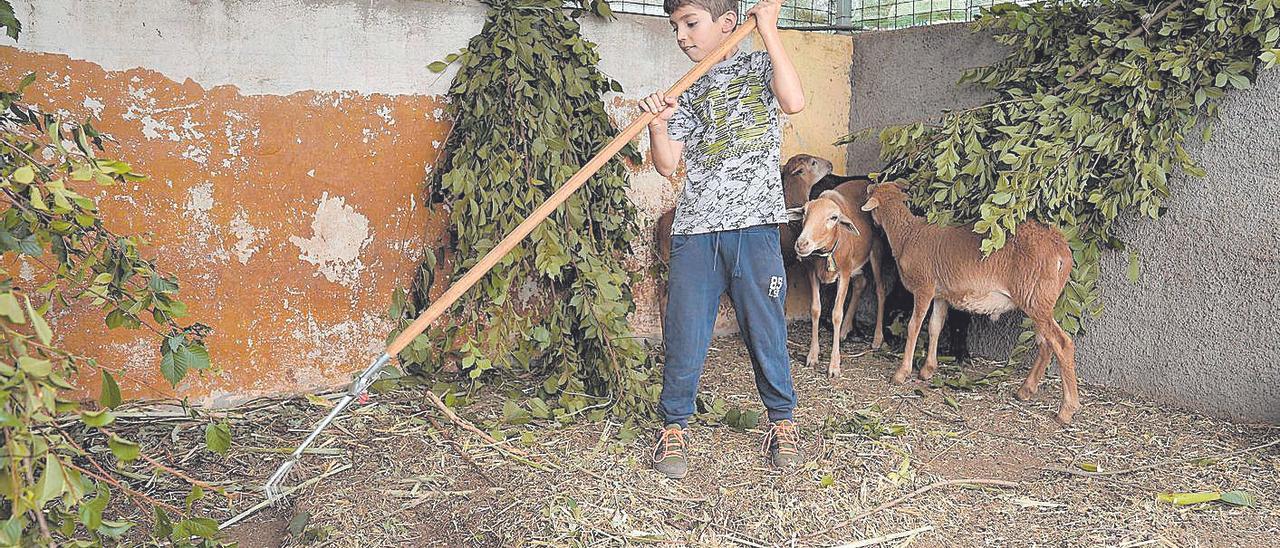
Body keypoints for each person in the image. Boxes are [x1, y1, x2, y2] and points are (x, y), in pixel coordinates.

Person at [639, 0, 806, 479]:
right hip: (696, 231)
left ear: (727, 23)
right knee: (685, 330)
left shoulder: (759, 65)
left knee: (765, 328)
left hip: (756, 228)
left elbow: (793, 101)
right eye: (675, 27)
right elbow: (668, 164)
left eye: (690, 23)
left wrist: (769, 30)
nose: (681, 36)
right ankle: (673, 426)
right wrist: (657, 123)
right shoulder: (686, 90)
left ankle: (782, 421)